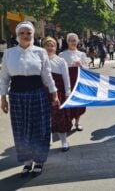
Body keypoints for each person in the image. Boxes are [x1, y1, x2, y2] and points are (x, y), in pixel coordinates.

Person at [0, 21, 59, 177]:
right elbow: (4, 78)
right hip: (17, 96)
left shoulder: (40, 52)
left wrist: (54, 93)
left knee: (39, 129)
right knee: (21, 130)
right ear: (17, 35)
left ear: (33, 34)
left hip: (37, 94)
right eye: (22, 33)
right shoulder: (9, 53)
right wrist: (3, 98)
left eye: (29, 33)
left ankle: (39, 161)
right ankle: (27, 162)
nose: (26, 36)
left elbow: (47, 75)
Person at [42, 37, 71, 152]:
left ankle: (64, 141)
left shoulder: (61, 61)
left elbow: (66, 77)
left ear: (56, 47)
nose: (49, 48)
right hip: (42, 91)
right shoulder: (39, 60)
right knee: (45, 117)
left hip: (58, 92)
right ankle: (48, 140)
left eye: (52, 45)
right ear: (43, 47)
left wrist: (68, 92)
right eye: (47, 45)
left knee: (59, 117)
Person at [59, 33, 87, 131]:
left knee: (79, 102)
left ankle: (77, 122)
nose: (73, 42)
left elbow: (86, 69)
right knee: (68, 100)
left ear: (78, 41)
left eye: (75, 40)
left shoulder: (82, 54)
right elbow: (59, 69)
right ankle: (68, 121)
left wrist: (81, 66)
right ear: (67, 42)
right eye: (71, 40)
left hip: (78, 81)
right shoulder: (62, 55)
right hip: (67, 81)